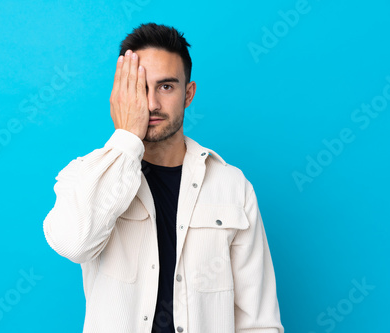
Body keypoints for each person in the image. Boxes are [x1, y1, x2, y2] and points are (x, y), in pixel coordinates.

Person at [43, 22, 284, 333]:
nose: (152, 103)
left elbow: (259, 321)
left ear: (188, 93)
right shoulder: (86, 176)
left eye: (166, 86)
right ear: (121, 95)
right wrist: (127, 135)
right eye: (140, 87)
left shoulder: (232, 187)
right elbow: (74, 244)